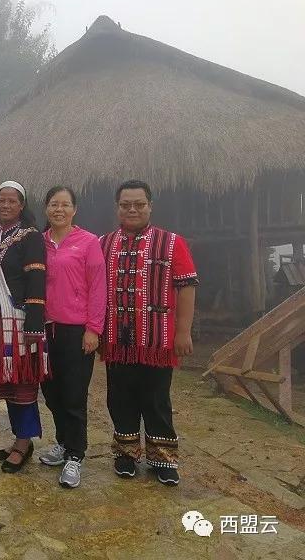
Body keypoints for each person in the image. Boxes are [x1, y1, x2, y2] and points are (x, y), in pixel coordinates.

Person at [101, 180, 198, 486]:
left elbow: (186, 287)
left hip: (157, 340)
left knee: (156, 400)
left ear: (150, 206)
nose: (132, 209)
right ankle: (126, 454)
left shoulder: (171, 242)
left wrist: (183, 331)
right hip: (116, 340)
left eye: (139, 204)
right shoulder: (104, 243)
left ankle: (163, 459)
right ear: (117, 208)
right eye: (125, 205)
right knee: (119, 398)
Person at [37, 186, 106, 488]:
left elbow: (98, 287)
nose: (59, 210)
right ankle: (63, 442)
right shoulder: (38, 242)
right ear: (46, 208)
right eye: (54, 204)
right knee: (51, 392)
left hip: (76, 330)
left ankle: (75, 455)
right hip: (45, 328)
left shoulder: (88, 242)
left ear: (74, 209)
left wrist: (93, 329)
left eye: (65, 205)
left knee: (74, 394)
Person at [0, 180, 49, 473]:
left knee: (22, 382)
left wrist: (34, 323)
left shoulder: (30, 237)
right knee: (6, 382)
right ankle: (19, 437)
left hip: (19, 320)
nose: (6, 205)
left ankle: (23, 442)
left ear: (21, 206)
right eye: (1, 200)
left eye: (12, 201)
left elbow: (36, 279)